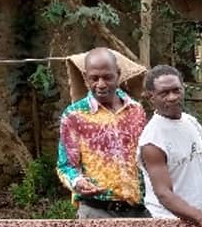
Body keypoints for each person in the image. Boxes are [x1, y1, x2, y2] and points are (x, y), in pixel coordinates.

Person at [57, 47, 149, 218]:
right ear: (86, 78)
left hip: (138, 211)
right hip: (96, 210)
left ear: (118, 75)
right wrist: (77, 182)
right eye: (94, 78)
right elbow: (66, 165)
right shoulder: (74, 115)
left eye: (107, 77)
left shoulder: (136, 111)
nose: (100, 84)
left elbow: (145, 158)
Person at [138, 65, 202, 227]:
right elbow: (163, 193)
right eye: (164, 93)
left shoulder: (191, 123)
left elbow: (198, 173)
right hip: (167, 222)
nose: (172, 97)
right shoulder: (152, 141)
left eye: (176, 90)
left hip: (199, 219)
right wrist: (201, 217)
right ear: (151, 98)